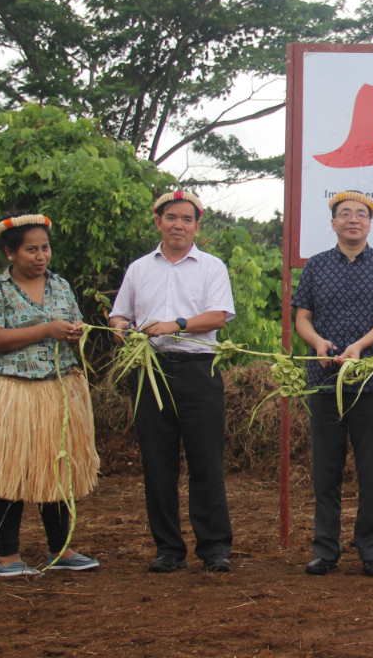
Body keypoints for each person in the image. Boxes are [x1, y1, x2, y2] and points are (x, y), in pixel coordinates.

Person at [0, 212, 101, 577]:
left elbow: (74, 324)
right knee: (10, 473)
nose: (40, 256)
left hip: (57, 390)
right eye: (31, 249)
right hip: (12, 392)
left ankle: (60, 550)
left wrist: (75, 333)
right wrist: (46, 329)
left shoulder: (60, 286)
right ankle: (7, 557)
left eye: (45, 248)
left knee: (57, 470)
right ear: (10, 253)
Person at [109, 191, 237, 574]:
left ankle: (214, 548)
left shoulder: (211, 267)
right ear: (158, 221)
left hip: (199, 370)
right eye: (171, 217)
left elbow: (217, 317)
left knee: (206, 463)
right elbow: (118, 316)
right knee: (157, 463)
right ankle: (168, 548)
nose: (178, 225)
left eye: (186, 219)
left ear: (198, 226)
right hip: (150, 371)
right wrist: (122, 330)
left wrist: (176, 325)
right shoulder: (139, 269)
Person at [293, 190, 373, 578]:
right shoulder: (315, 266)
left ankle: (371, 550)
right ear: (334, 223)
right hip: (324, 381)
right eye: (345, 214)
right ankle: (326, 549)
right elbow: (303, 318)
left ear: (370, 224)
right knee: (325, 469)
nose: (353, 219)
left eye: (361, 214)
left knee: (369, 469)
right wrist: (317, 342)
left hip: (371, 380)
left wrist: (360, 346)